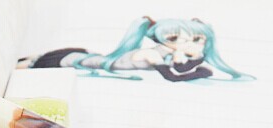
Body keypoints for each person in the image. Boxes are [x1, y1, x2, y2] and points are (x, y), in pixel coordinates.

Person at [18, 16, 254, 82]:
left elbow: (180, 67)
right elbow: (172, 76)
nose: (186, 43)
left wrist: (197, 59)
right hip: (75, 60)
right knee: (29, 66)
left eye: (196, 39)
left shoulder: (167, 54)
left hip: (85, 58)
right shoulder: (151, 55)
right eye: (176, 38)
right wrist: (199, 70)